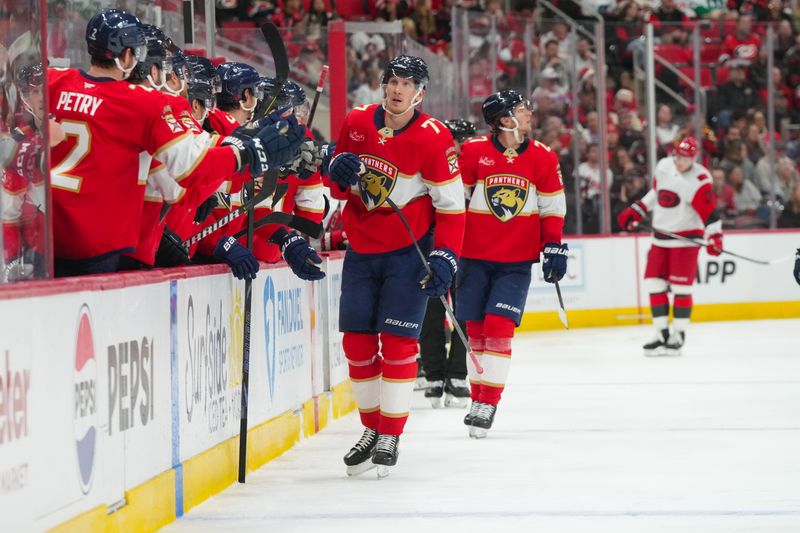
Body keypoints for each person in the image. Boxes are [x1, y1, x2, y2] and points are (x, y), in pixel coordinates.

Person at [48, 9, 305, 276]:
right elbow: (190, 173)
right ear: (128, 57)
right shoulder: (144, 104)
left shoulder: (56, 82)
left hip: (49, 237)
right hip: (99, 247)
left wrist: (249, 136)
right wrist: (250, 154)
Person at [327, 55, 465, 477]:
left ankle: (391, 433)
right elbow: (336, 185)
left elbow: (452, 206)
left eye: (408, 84)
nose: (398, 89)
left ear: (420, 93)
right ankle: (371, 429)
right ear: (383, 85)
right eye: (393, 81)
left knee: (399, 344)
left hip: (408, 254)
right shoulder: (356, 120)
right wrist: (335, 167)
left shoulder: (434, 137)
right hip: (361, 252)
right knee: (357, 344)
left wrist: (445, 255)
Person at [456, 90, 567, 438]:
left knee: (499, 327)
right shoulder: (473, 152)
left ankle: (489, 401)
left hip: (516, 261)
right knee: (475, 331)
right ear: (505, 120)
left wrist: (553, 247)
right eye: (521, 110)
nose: (529, 115)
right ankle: (477, 398)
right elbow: (454, 200)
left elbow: (552, 207)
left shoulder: (544, 157)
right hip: (473, 257)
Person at [618, 136, 723, 356]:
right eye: (678, 156)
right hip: (660, 238)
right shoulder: (664, 165)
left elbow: (709, 211)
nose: (680, 161)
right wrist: (638, 210)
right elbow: (657, 193)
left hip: (685, 240)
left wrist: (715, 236)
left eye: (686, 158)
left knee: (681, 289)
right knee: (654, 284)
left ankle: (679, 334)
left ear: (693, 158)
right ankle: (661, 333)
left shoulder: (701, 178)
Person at [419, 118, 476, 408]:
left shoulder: (474, 170)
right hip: (434, 248)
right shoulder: (433, 164)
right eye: (457, 139)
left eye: (465, 140)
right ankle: (434, 375)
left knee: (464, 313)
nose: (461, 145)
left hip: (467, 250)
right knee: (429, 313)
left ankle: (457, 374)